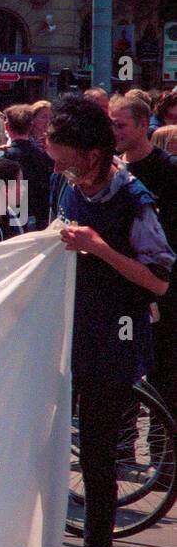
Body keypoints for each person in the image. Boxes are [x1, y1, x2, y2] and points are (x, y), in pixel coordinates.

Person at [46, 95, 174, 547]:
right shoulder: (68, 185)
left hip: (114, 338)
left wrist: (100, 248)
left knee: (99, 454)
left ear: (93, 153)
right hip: (66, 331)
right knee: (49, 447)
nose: (56, 167)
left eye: (63, 158)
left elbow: (159, 280)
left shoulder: (135, 200)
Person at [113, 93, 177, 424]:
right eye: (111, 124)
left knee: (165, 381)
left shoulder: (167, 170)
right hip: (122, 289)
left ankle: (166, 468)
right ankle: (124, 454)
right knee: (123, 375)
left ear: (142, 126)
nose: (115, 131)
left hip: (163, 290)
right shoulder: (110, 170)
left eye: (121, 125)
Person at [0, 103, 53, 230]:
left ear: (6, 126)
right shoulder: (45, 157)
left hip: (8, 220)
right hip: (38, 220)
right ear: (31, 125)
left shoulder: (1, 157)